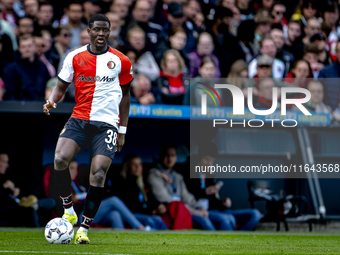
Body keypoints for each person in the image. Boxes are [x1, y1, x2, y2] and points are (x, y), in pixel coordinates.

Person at [43, 14, 133, 244]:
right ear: (89, 31)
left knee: (99, 172)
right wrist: (53, 100)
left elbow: (126, 97)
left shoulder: (121, 60)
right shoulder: (74, 56)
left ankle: (83, 227)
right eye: (97, 30)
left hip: (107, 125)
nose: (101, 34)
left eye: (105, 30)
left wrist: (122, 130)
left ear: (109, 32)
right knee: (60, 158)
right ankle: (68, 209)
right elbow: (62, 85)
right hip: (80, 120)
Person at [148, 143, 235, 230]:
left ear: (176, 158)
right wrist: (193, 211)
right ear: (161, 156)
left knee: (227, 218)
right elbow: (166, 199)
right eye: (167, 155)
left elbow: (187, 196)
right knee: (205, 221)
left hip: (186, 210)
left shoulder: (177, 176)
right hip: (172, 212)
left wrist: (200, 207)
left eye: (172, 155)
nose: (170, 158)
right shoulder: (154, 174)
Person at [187, 143, 262, 231]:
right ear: (199, 157)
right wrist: (204, 192)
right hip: (201, 210)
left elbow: (213, 202)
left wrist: (223, 203)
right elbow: (187, 198)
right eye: (206, 159)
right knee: (227, 218)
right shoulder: (188, 172)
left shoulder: (209, 176)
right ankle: (233, 242)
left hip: (216, 210)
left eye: (211, 161)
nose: (209, 164)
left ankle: (239, 239)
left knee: (255, 214)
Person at [110, 154, 169, 230]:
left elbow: (151, 200)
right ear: (127, 166)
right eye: (134, 164)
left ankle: (170, 239)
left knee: (158, 218)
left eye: (140, 164)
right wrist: (151, 212)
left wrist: (159, 206)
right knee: (150, 220)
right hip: (129, 215)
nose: (137, 167)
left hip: (143, 213)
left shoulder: (142, 184)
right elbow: (130, 208)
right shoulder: (122, 183)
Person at [3, 34, 51, 100]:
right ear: (19, 49)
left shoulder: (42, 66)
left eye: (29, 46)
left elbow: (48, 86)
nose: (27, 49)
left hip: (40, 105)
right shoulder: (11, 68)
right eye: (23, 47)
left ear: (35, 47)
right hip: (19, 107)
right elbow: (10, 93)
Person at [318, 41, 340, 110]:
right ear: (336, 52)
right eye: (339, 51)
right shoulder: (325, 72)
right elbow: (318, 96)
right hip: (329, 114)